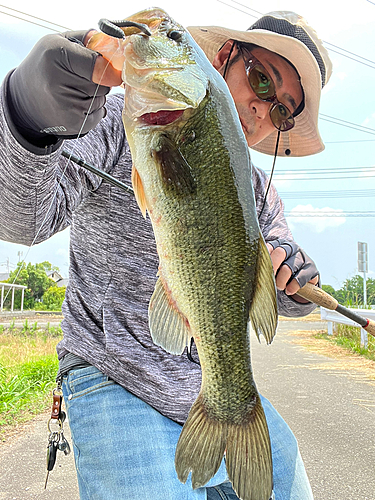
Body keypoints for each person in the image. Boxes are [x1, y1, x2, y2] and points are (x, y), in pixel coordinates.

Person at [0, 9, 331, 500]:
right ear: (222, 58)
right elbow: (23, 218)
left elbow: (280, 299)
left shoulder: (259, 192)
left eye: (283, 110)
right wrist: (28, 118)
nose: (264, 111)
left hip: (214, 388)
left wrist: (295, 274)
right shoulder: (113, 121)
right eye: (261, 79)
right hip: (115, 376)